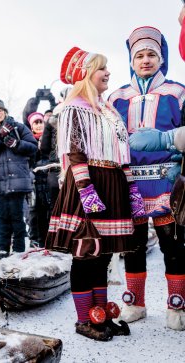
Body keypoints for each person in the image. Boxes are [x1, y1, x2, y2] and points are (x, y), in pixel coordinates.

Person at [46, 46, 141, 341]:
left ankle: (100, 316)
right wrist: (86, 190)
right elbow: (75, 153)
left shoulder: (108, 110)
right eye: (101, 68)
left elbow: (122, 152)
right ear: (86, 74)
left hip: (112, 182)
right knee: (85, 254)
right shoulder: (74, 107)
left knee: (103, 256)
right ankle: (84, 319)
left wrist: (132, 187)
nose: (108, 72)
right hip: (89, 182)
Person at [109, 26, 185, 331]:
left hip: (167, 183)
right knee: (134, 245)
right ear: (130, 60)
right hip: (131, 186)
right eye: (138, 55)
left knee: (174, 246)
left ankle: (176, 305)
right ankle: (135, 303)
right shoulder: (116, 98)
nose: (145, 60)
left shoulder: (178, 92)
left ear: (161, 58)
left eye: (151, 54)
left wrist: (166, 142)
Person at [0, 99, 37, 259]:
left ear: (5, 112)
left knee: (16, 216)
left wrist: (16, 144)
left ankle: (19, 249)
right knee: (2, 217)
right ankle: (3, 249)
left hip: (18, 180)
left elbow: (33, 147)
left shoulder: (19, 127)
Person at [26, 112, 50, 248]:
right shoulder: (29, 140)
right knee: (33, 211)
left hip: (47, 179)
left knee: (47, 210)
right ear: (32, 126)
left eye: (41, 122)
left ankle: (46, 238)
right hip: (34, 179)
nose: (39, 125)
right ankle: (34, 238)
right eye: (36, 123)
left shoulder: (50, 138)